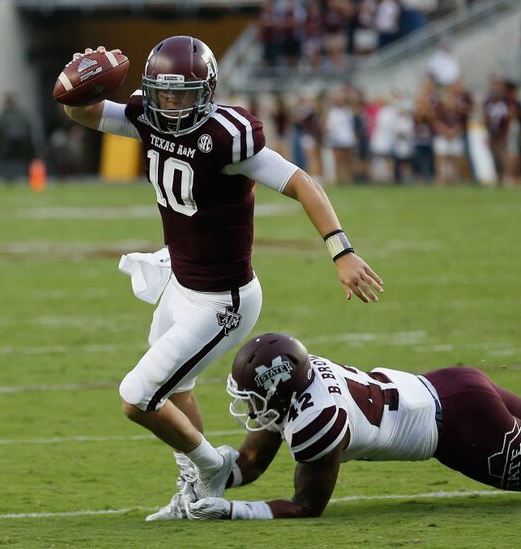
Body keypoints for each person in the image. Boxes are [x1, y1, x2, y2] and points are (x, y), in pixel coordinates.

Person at [59, 38, 384, 521]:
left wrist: (342, 251)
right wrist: (75, 82)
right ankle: (193, 490)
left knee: (137, 397)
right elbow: (84, 113)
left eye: (183, 93)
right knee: (174, 389)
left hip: (222, 300)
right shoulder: (146, 116)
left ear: (206, 90)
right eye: (163, 92)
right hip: (181, 283)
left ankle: (212, 467)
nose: (171, 103)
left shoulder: (227, 136)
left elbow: (302, 183)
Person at [180, 334, 521, 520]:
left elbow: (308, 507)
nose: (250, 405)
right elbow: (253, 460)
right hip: (451, 383)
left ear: (281, 389)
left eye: (255, 395)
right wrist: (209, 476)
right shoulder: (306, 389)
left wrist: (235, 509)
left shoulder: (316, 422)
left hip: (458, 428)